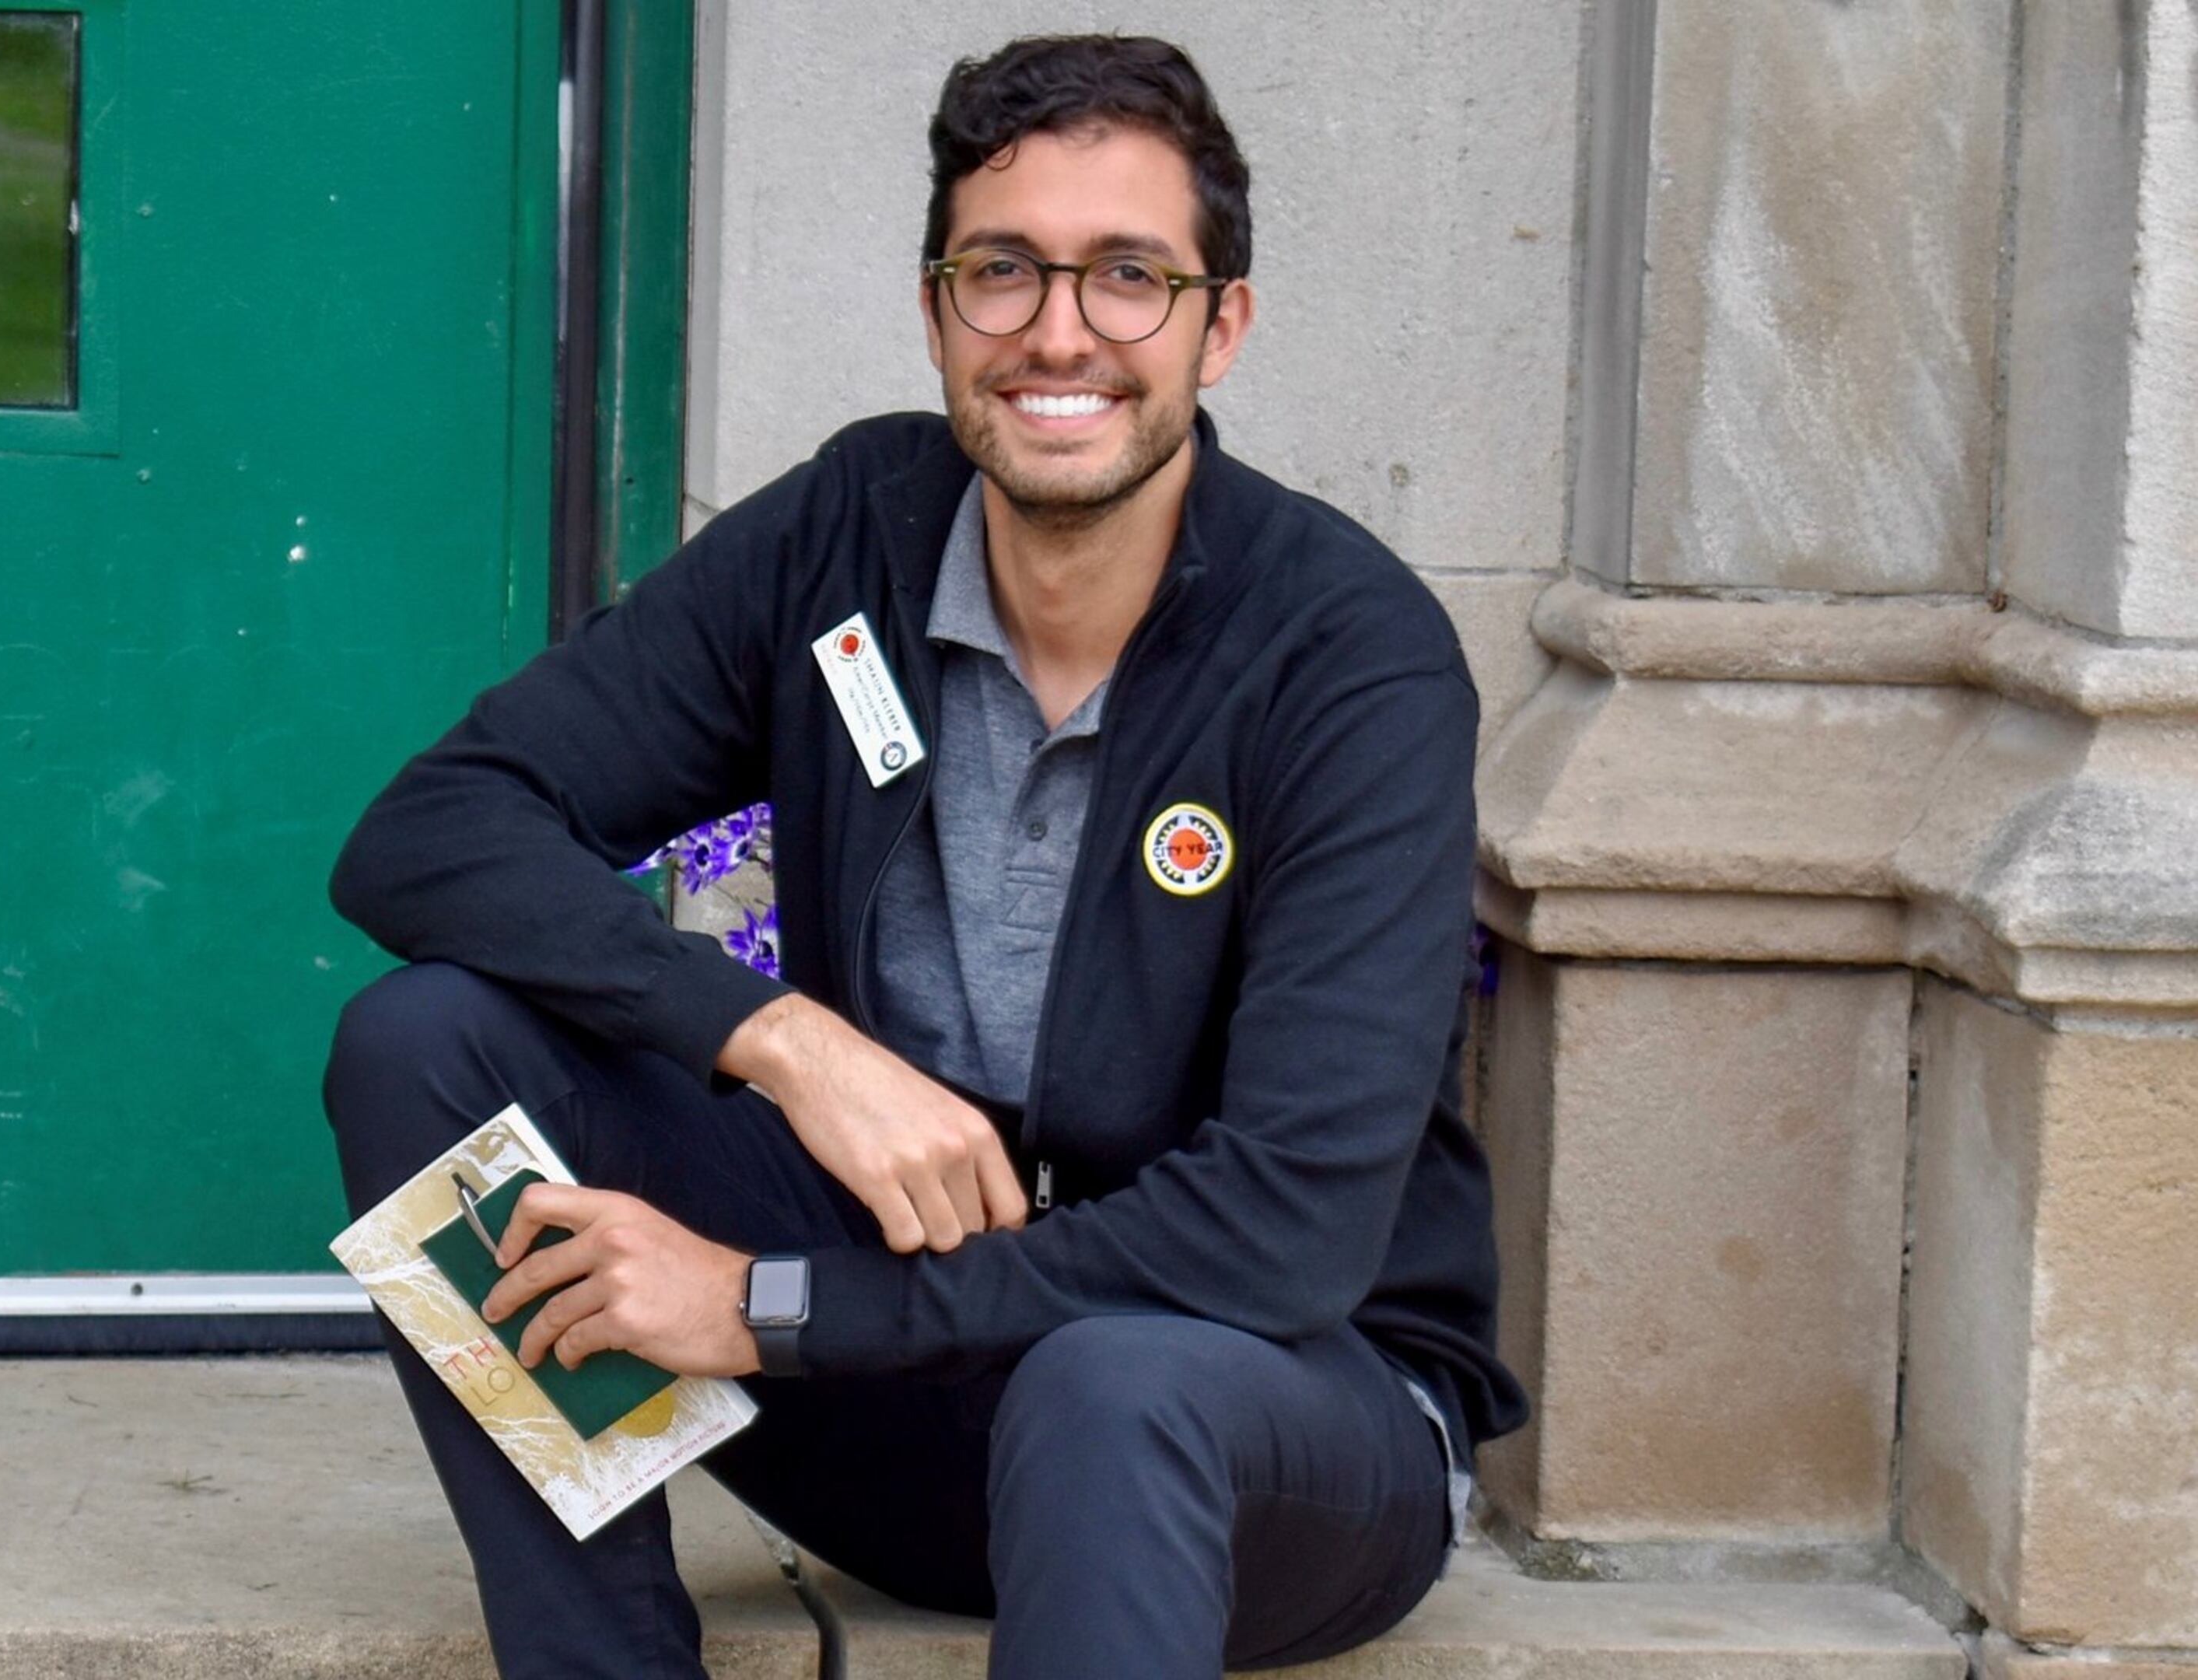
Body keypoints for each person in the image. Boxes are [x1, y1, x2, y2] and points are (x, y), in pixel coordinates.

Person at [321, 32, 1526, 1679]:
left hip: (1265, 1442)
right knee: (424, 1045)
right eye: (1003, 271)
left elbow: (1278, 1244)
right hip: (909, 1396)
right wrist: (777, 1040)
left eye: (1129, 278)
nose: (1059, 333)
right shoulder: (848, 537)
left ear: (1218, 325)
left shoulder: (1347, 660)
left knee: (1120, 1379)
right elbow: (431, 832)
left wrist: (759, 1307)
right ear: (935, 306)